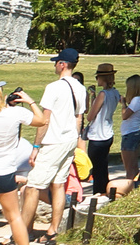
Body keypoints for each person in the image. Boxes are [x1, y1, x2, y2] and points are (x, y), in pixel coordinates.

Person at [0, 78, 48, 245]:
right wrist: (30, 101)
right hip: (3, 170)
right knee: (14, 217)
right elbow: (42, 120)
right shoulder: (14, 114)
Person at [25, 48, 87, 244]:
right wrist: (75, 139)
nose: (54, 65)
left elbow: (45, 120)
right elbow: (79, 117)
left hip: (53, 141)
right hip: (69, 139)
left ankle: (23, 231)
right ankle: (53, 229)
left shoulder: (54, 87)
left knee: (33, 186)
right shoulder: (80, 87)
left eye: (56, 62)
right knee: (59, 184)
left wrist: (36, 146)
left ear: (62, 64)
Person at [83, 63, 119, 197]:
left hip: (98, 135)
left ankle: (99, 194)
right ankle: (106, 191)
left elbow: (90, 116)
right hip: (108, 132)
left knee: (97, 170)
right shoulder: (115, 93)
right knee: (103, 167)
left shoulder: (103, 94)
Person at [117, 75, 140, 185]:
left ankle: (129, 189)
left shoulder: (137, 100)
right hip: (133, 133)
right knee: (134, 167)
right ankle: (135, 187)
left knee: (129, 168)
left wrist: (123, 104)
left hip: (129, 134)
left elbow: (125, 116)